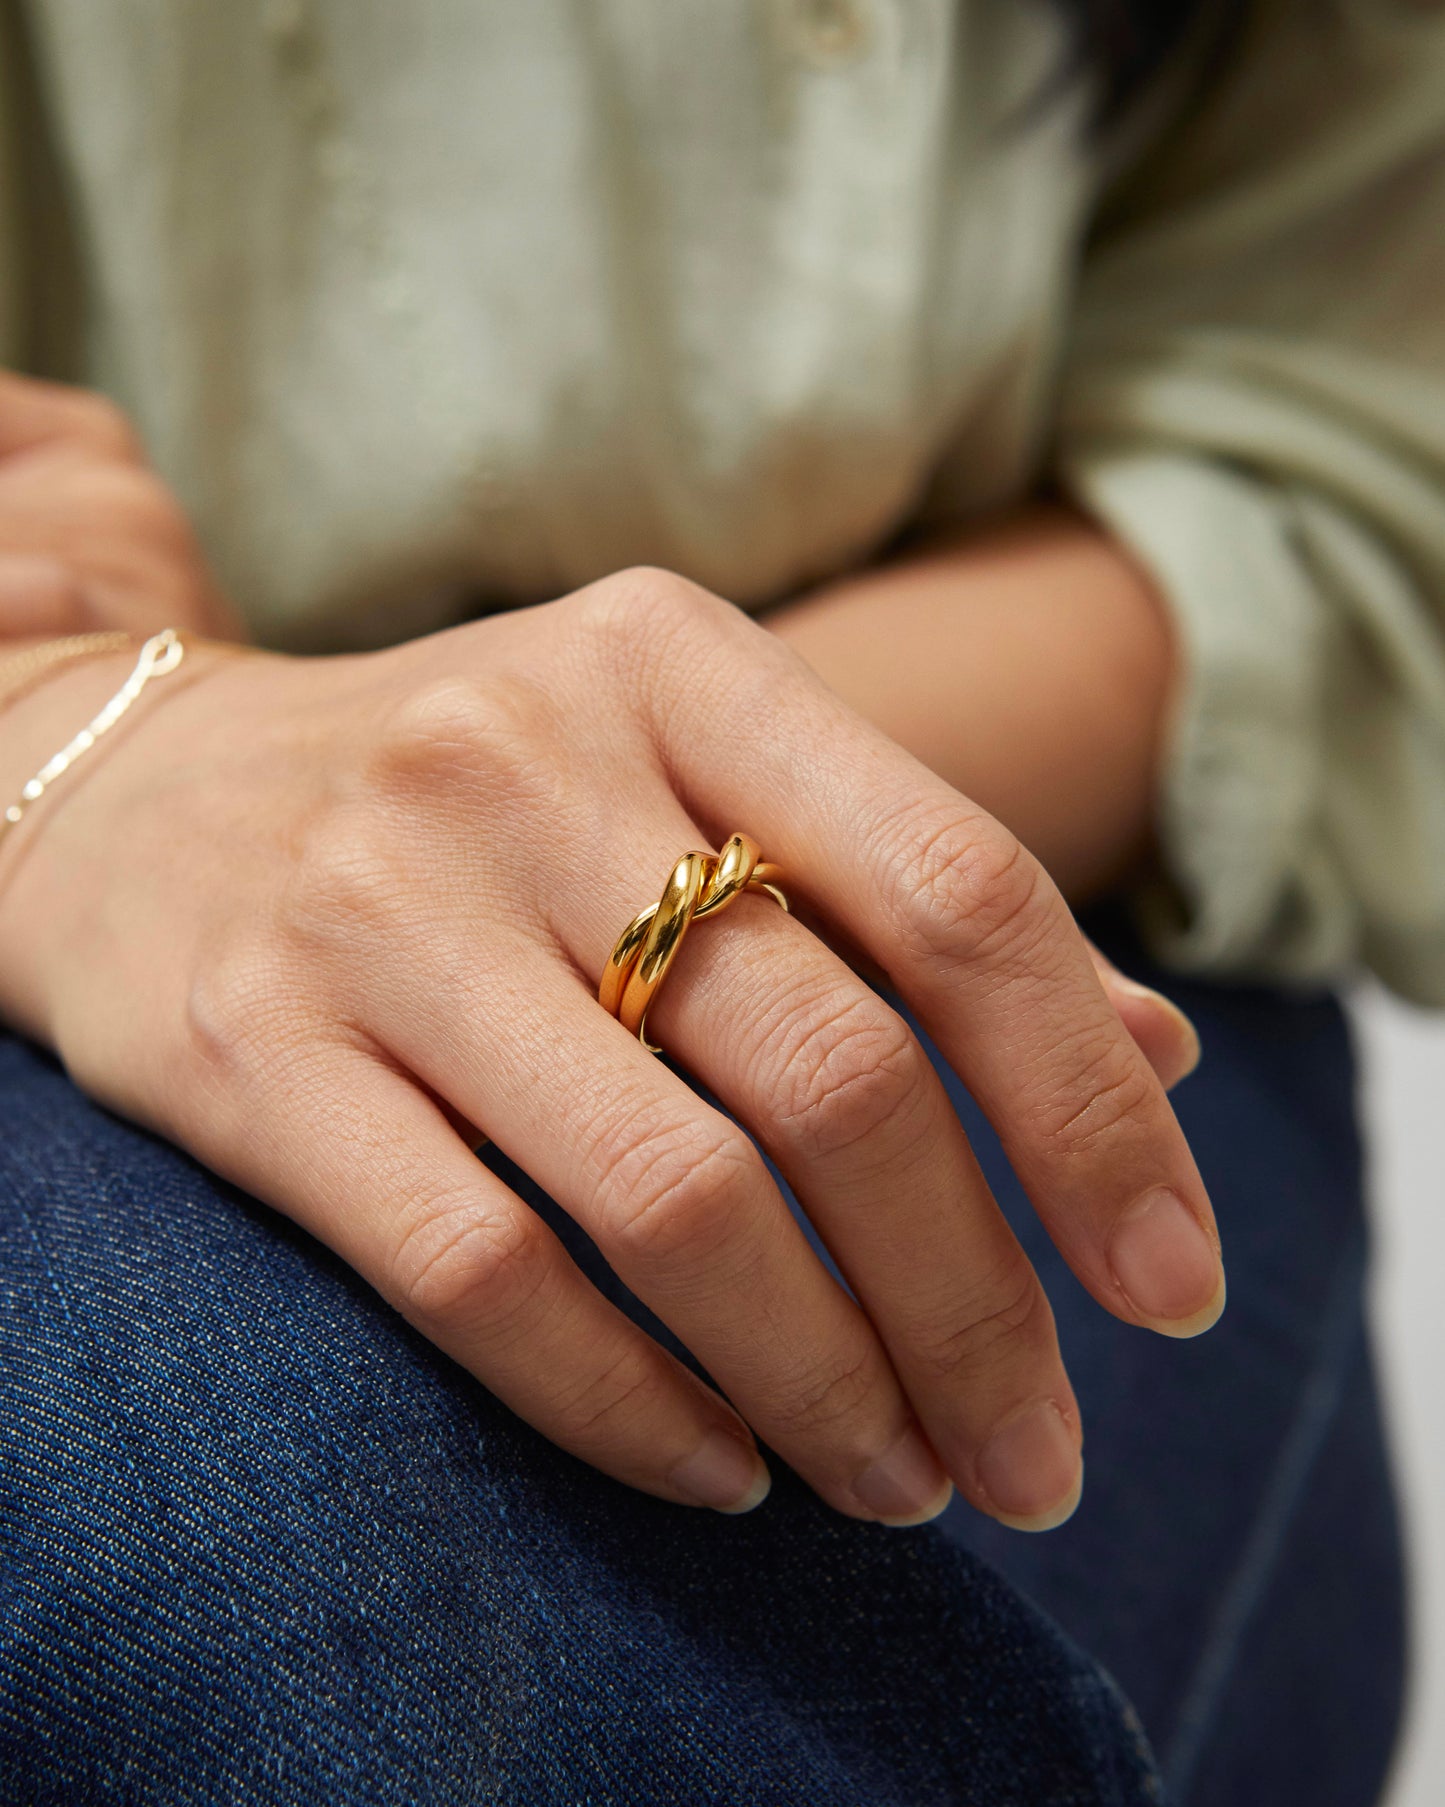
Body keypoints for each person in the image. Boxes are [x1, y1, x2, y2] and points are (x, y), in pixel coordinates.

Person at [0, 0, 1438, 1800]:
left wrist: (624, 840)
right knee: (239, 1520)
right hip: (79, 849)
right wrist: (68, 738)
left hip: (979, 849)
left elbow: (1342, 453)